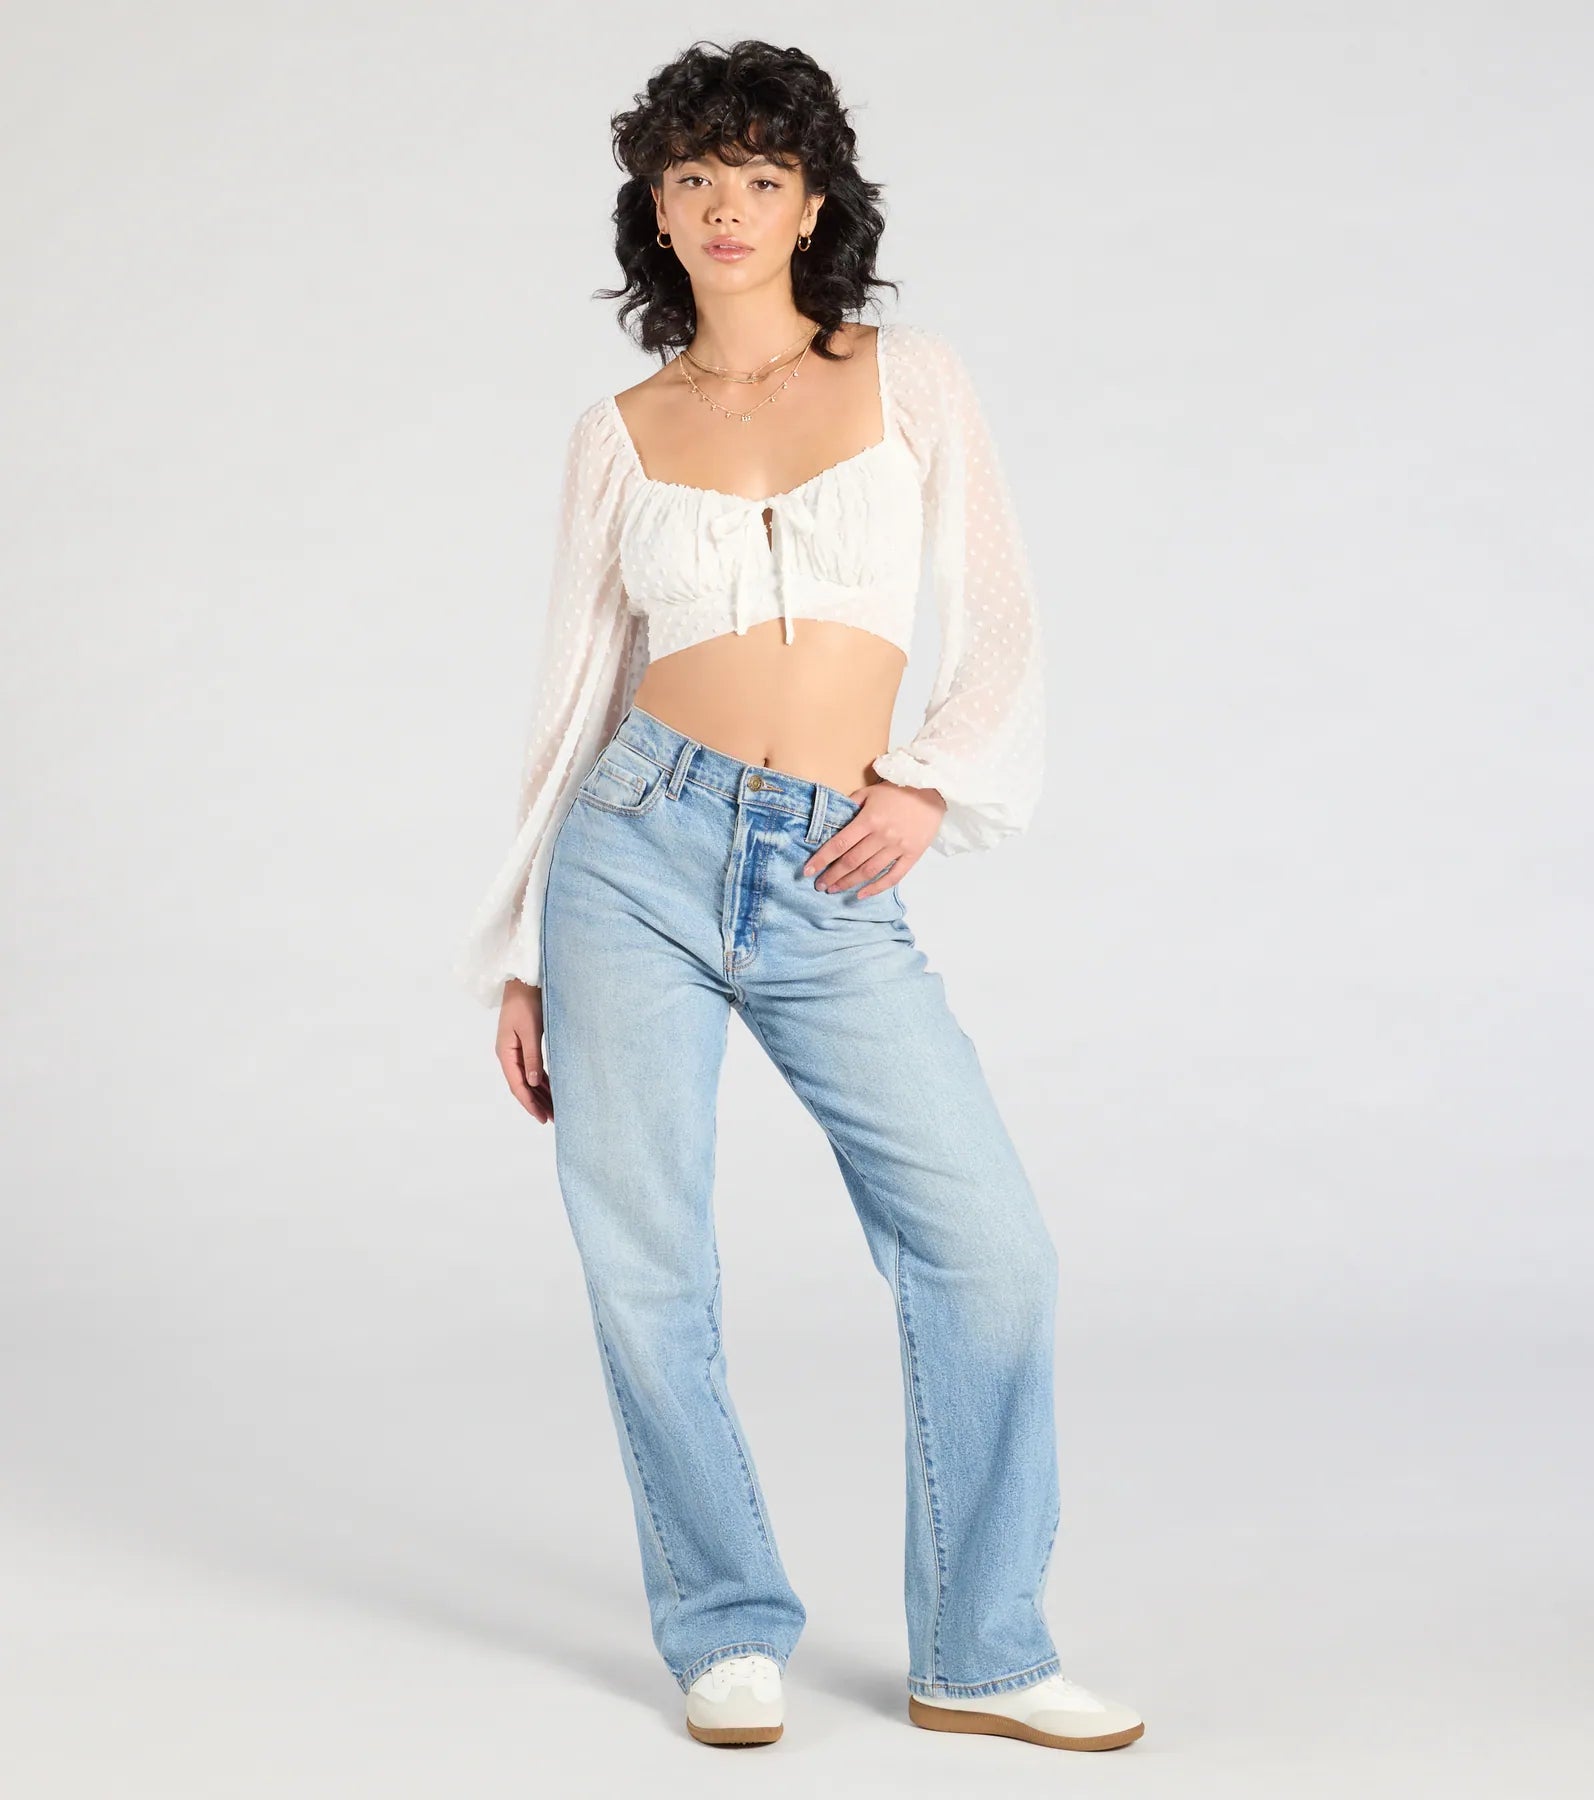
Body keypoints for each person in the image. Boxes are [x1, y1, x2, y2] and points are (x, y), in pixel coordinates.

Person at [454, 39, 1144, 1754]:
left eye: (759, 176)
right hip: (632, 851)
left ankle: (981, 1649)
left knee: (989, 1252)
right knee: (646, 1267)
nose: (724, 206)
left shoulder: (909, 380)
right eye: (691, 177)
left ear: (813, 204)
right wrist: (519, 950)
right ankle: (721, 1623)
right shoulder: (619, 434)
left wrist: (931, 780)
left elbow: (1000, 614)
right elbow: (572, 688)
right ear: (653, 209)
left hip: (826, 864)